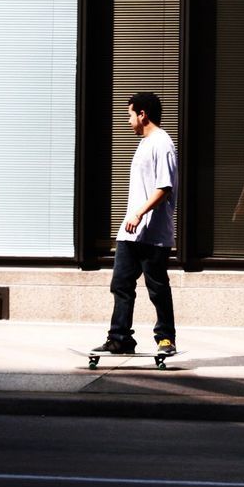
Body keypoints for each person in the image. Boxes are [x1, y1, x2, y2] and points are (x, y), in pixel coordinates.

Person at [94, 92, 178, 356]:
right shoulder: (144, 143)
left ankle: (166, 339)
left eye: (130, 114)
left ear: (143, 114)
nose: (128, 120)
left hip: (153, 232)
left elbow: (164, 187)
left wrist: (139, 213)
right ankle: (120, 338)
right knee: (121, 283)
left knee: (157, 287)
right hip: (130, 232)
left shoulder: (162, 143)